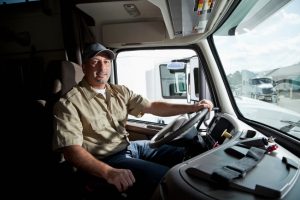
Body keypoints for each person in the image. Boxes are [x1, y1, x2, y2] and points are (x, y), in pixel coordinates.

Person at [52, 42, 213, 199]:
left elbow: (152, 106)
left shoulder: (119, 91)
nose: (102, 68)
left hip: (129, 148)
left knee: (186, 155)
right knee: (171, 179)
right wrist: (108, 172)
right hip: (106, 160)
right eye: (95, 62)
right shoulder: (68, 103)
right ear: (84, 67)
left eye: (106, 62)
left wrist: (193, 107)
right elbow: (72, 151)